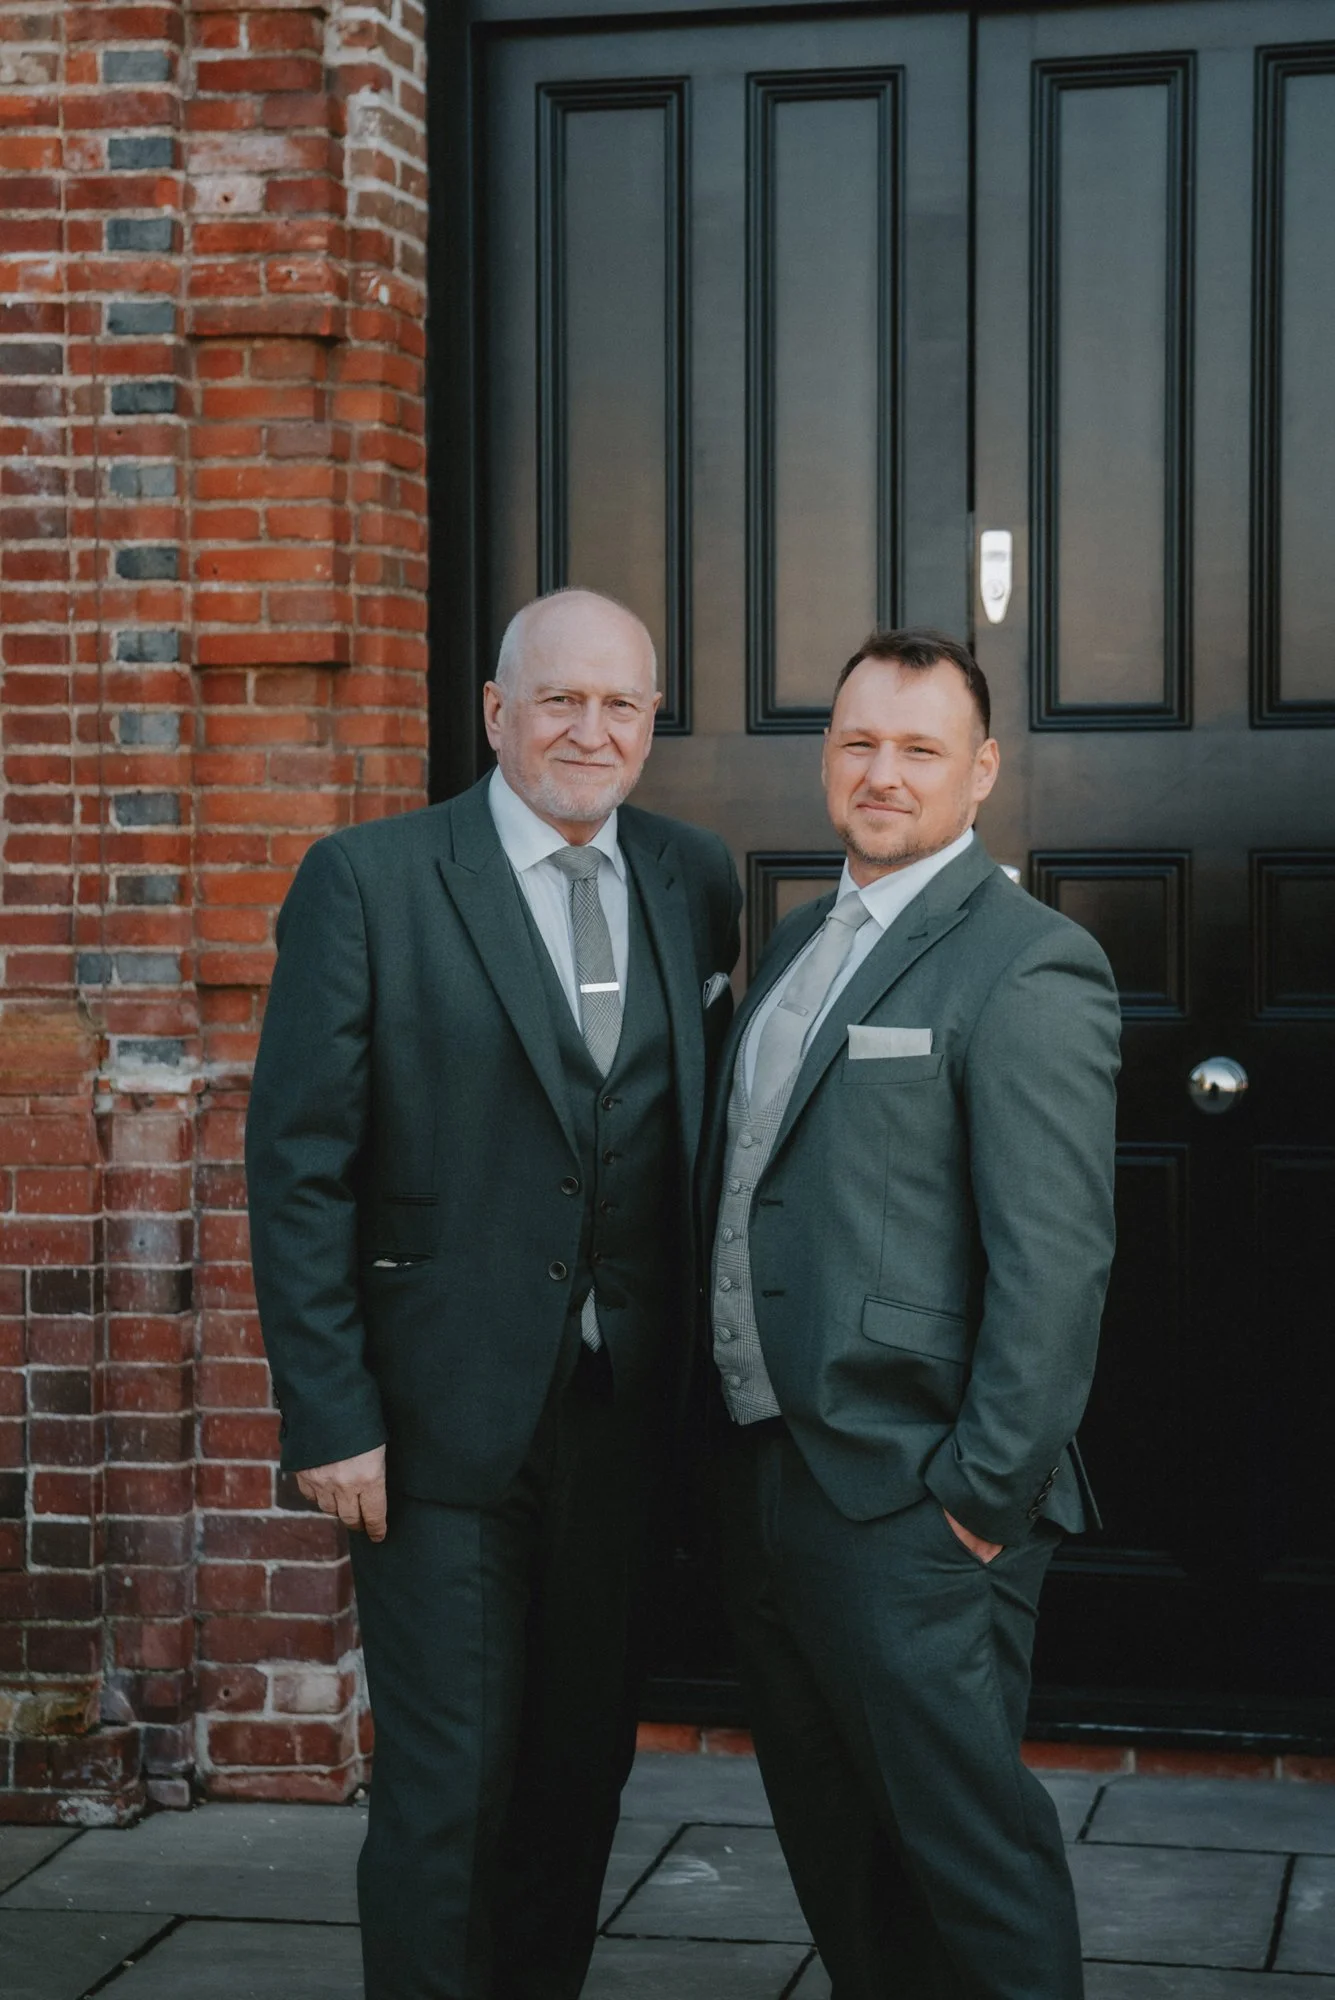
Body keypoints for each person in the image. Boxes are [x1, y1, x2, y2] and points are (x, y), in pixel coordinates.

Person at [245, 588, 741, 2000]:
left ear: (651, 722)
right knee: (450, 1788)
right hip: (434, 1424)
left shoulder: (689, 874)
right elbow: (298, 1169)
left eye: (623, 705)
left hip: (623, 1422)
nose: (592, 731)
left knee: (574, 1782)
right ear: (496, 714)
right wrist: (329, 1414)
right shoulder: (371, 879)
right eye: (561, 701)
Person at [706, 627, 1120, 1998]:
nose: (882, 774)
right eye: (858, 742)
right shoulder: (797, 941)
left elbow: (1054, 1260)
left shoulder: (1027, 964)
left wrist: (977, 1497)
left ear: (980, 770)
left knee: (966, 1871)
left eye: (919, 749)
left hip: (915, 1499)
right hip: (778, 1481)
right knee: (840, 1857)